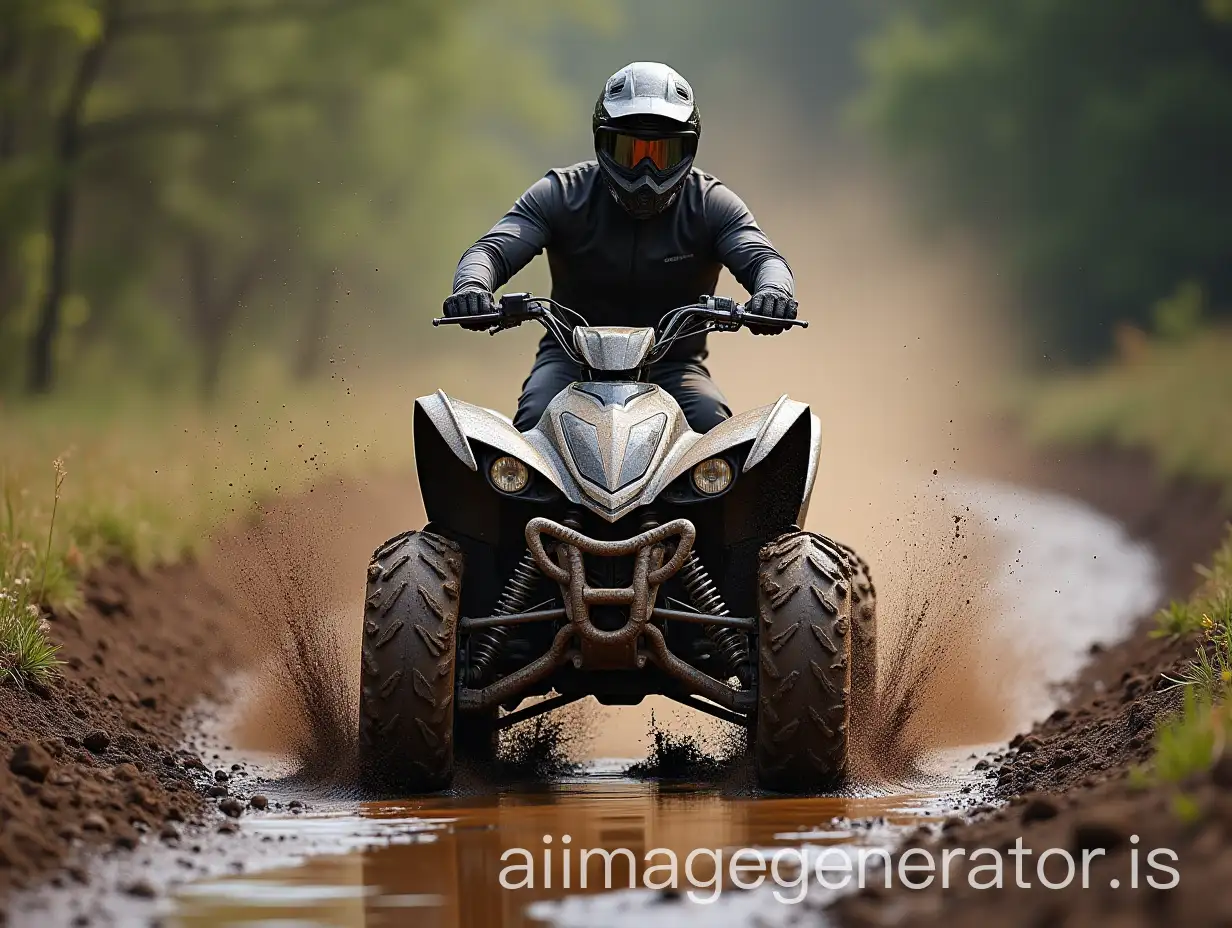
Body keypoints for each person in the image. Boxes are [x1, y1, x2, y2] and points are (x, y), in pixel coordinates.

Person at [442, 61, 797, 433]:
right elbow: (492, 250)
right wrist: (472, 287)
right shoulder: (562, 194)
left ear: (688, 150)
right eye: (630, 151)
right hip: (570, 364)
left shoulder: (710, 204)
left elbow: (763, 259)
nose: (646, 170)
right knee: (532, 431)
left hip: (674, 369)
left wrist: (772, 291)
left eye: (661, 154)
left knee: (716, 436)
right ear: (602, 143)